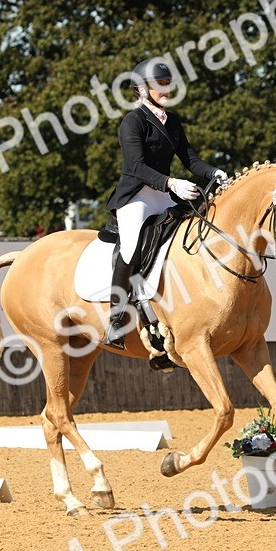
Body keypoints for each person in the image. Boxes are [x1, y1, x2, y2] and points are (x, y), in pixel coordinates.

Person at [102, 58, 228, 348]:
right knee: (132, 245)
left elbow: (190, 159)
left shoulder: (172, 122)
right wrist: (171, 183)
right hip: (136, 196)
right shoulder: (133, 122)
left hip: (163, 194)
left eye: (168, 83)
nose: (166, 89)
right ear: (142, 90)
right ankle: (116, 320)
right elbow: (136, 166)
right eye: (160, 84)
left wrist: (214, 172)